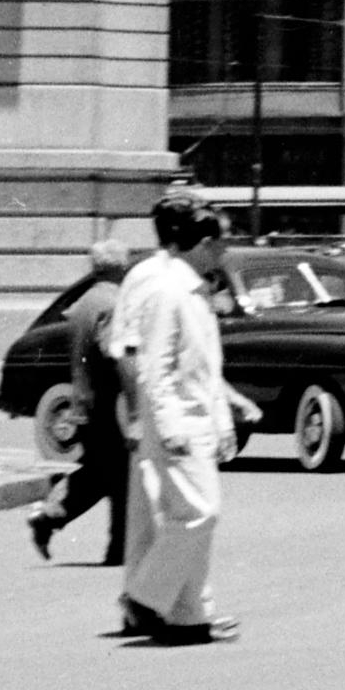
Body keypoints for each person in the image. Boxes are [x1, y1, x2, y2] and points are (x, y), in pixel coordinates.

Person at [112, 187, 237, 646]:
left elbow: (206, 368)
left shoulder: (195, 292)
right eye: (221, 242)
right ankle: (145, 597)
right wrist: (163, 425)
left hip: (199, 419)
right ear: (202, 243)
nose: (226, 250)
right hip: (178, 423)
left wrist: (222, 424)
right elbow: (154, 366)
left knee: (193, 521)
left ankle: (189, 617)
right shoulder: (168, 291)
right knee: (200, 514)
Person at [26, 229, 141, 569]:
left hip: (86, 401)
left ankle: (50, 517)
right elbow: (114, 351)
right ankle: (117, 550)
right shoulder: (112, 303)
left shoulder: (85, 303)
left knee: (101, 473)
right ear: (121, 268)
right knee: (119, 476)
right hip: (110, 403)